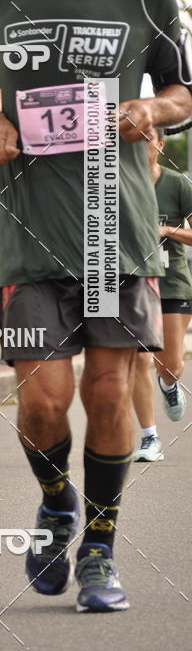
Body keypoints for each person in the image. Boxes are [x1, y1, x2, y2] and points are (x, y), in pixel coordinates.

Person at [0, 0, 192, 613]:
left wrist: (148, 108)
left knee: (109, 391)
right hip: (28, 226)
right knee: (41, 398)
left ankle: (98, 546)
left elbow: (185, 93)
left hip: (115, 227)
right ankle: (56, 496)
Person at [132, 126, 191, 462]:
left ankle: (168, 384)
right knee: (139, 359)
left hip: (172, 282)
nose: (141, 146)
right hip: (133, 282)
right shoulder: (116, 183)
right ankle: (149, 438)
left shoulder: (177, 183)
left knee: (169, 364)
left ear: (160, 144)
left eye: (147, 139)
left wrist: (167, 230)